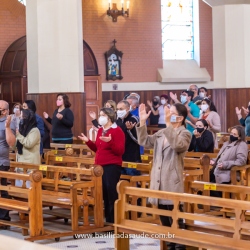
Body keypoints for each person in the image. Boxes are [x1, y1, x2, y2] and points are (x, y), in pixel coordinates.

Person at [136, 103, 191, 250]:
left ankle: (180, 246)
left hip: (171, 179)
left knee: (175, 215)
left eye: (170, 112)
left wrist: (168, 125)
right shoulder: (161, 133)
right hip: (158, 179)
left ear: (180, 118)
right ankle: (170, 245)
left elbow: (178, 146)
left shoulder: (184, 133)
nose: (167, 114)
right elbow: (144, 141)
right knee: (163, 216)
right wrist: (142, 122)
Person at [78, 108, 125, 223]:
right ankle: (104, 220)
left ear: (109, 117)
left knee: (111, 194)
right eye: (100, 115)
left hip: (112, 166)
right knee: (102, 193)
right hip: (99, 167)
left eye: (102, 115)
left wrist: (110, 141)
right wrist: (88, 141)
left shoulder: (117, 131)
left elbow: (120, 151)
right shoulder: (100, 130)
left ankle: (113, 221)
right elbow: (97, 149)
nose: (100, 117)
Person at [210, 126, 248, 197]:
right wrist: (213, 161)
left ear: (239, 137)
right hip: (217, 172)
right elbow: (220, 157)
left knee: (209, 189)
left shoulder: (242, 145)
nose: (231, 135)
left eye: (234, 134)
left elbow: (241, 161)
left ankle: (221, 203)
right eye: (231, 133)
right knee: (204, 185)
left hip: (228, 174)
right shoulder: (226, 143)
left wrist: (225, 164)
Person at [15, 109, 40, 187]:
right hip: (20, 164)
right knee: (19, 192)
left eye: (23, 117)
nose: (21, 119)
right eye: (21, 117)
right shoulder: (22, 131)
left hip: (30, 167)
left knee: (29, 191)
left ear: (28, 118)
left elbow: (29, 144)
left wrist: (18, 135)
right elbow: (14, 146)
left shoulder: (35, 131)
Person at [0, 100, 16, 224]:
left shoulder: (9, 121)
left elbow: (11, 143)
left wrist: (7, 127)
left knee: (2, 190)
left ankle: (4, 218)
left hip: (2, 162)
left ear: (5, 111)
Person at [116, 100, 141, 176]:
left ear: (127, 109)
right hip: (120, 158)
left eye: (121, 109)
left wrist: (131, 129)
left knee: (133, 184)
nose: (119, 111)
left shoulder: (134, 119)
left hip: (132, 158)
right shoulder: (117, 121)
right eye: (117, 109)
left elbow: (138, 139)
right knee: (121, 183)